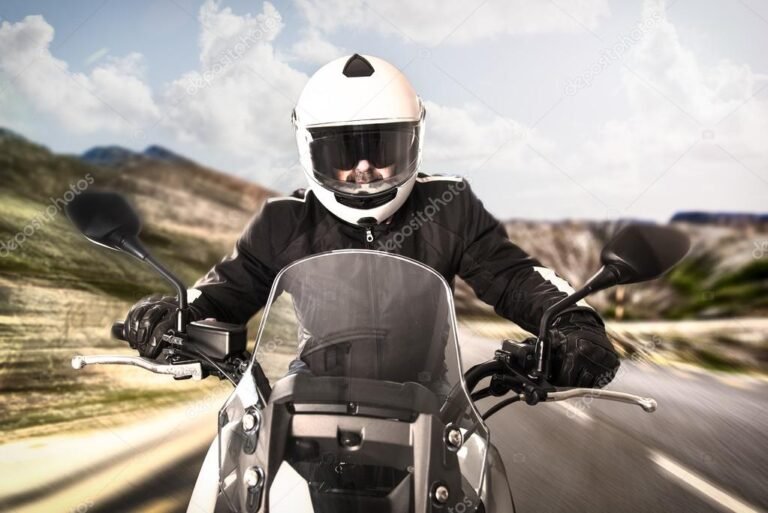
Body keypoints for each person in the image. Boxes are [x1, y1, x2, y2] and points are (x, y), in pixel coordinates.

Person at [125, 54, 619, 389]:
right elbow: (222, 296)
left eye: (378, 147)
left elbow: (514, 278)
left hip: (435, 409)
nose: (364, 169)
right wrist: (173, 316)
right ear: (310, 149)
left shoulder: (447, 204)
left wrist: (571, 322)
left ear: (412, 143)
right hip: (305, 408)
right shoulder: (282, 222)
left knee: (483, 484)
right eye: (345, 151)